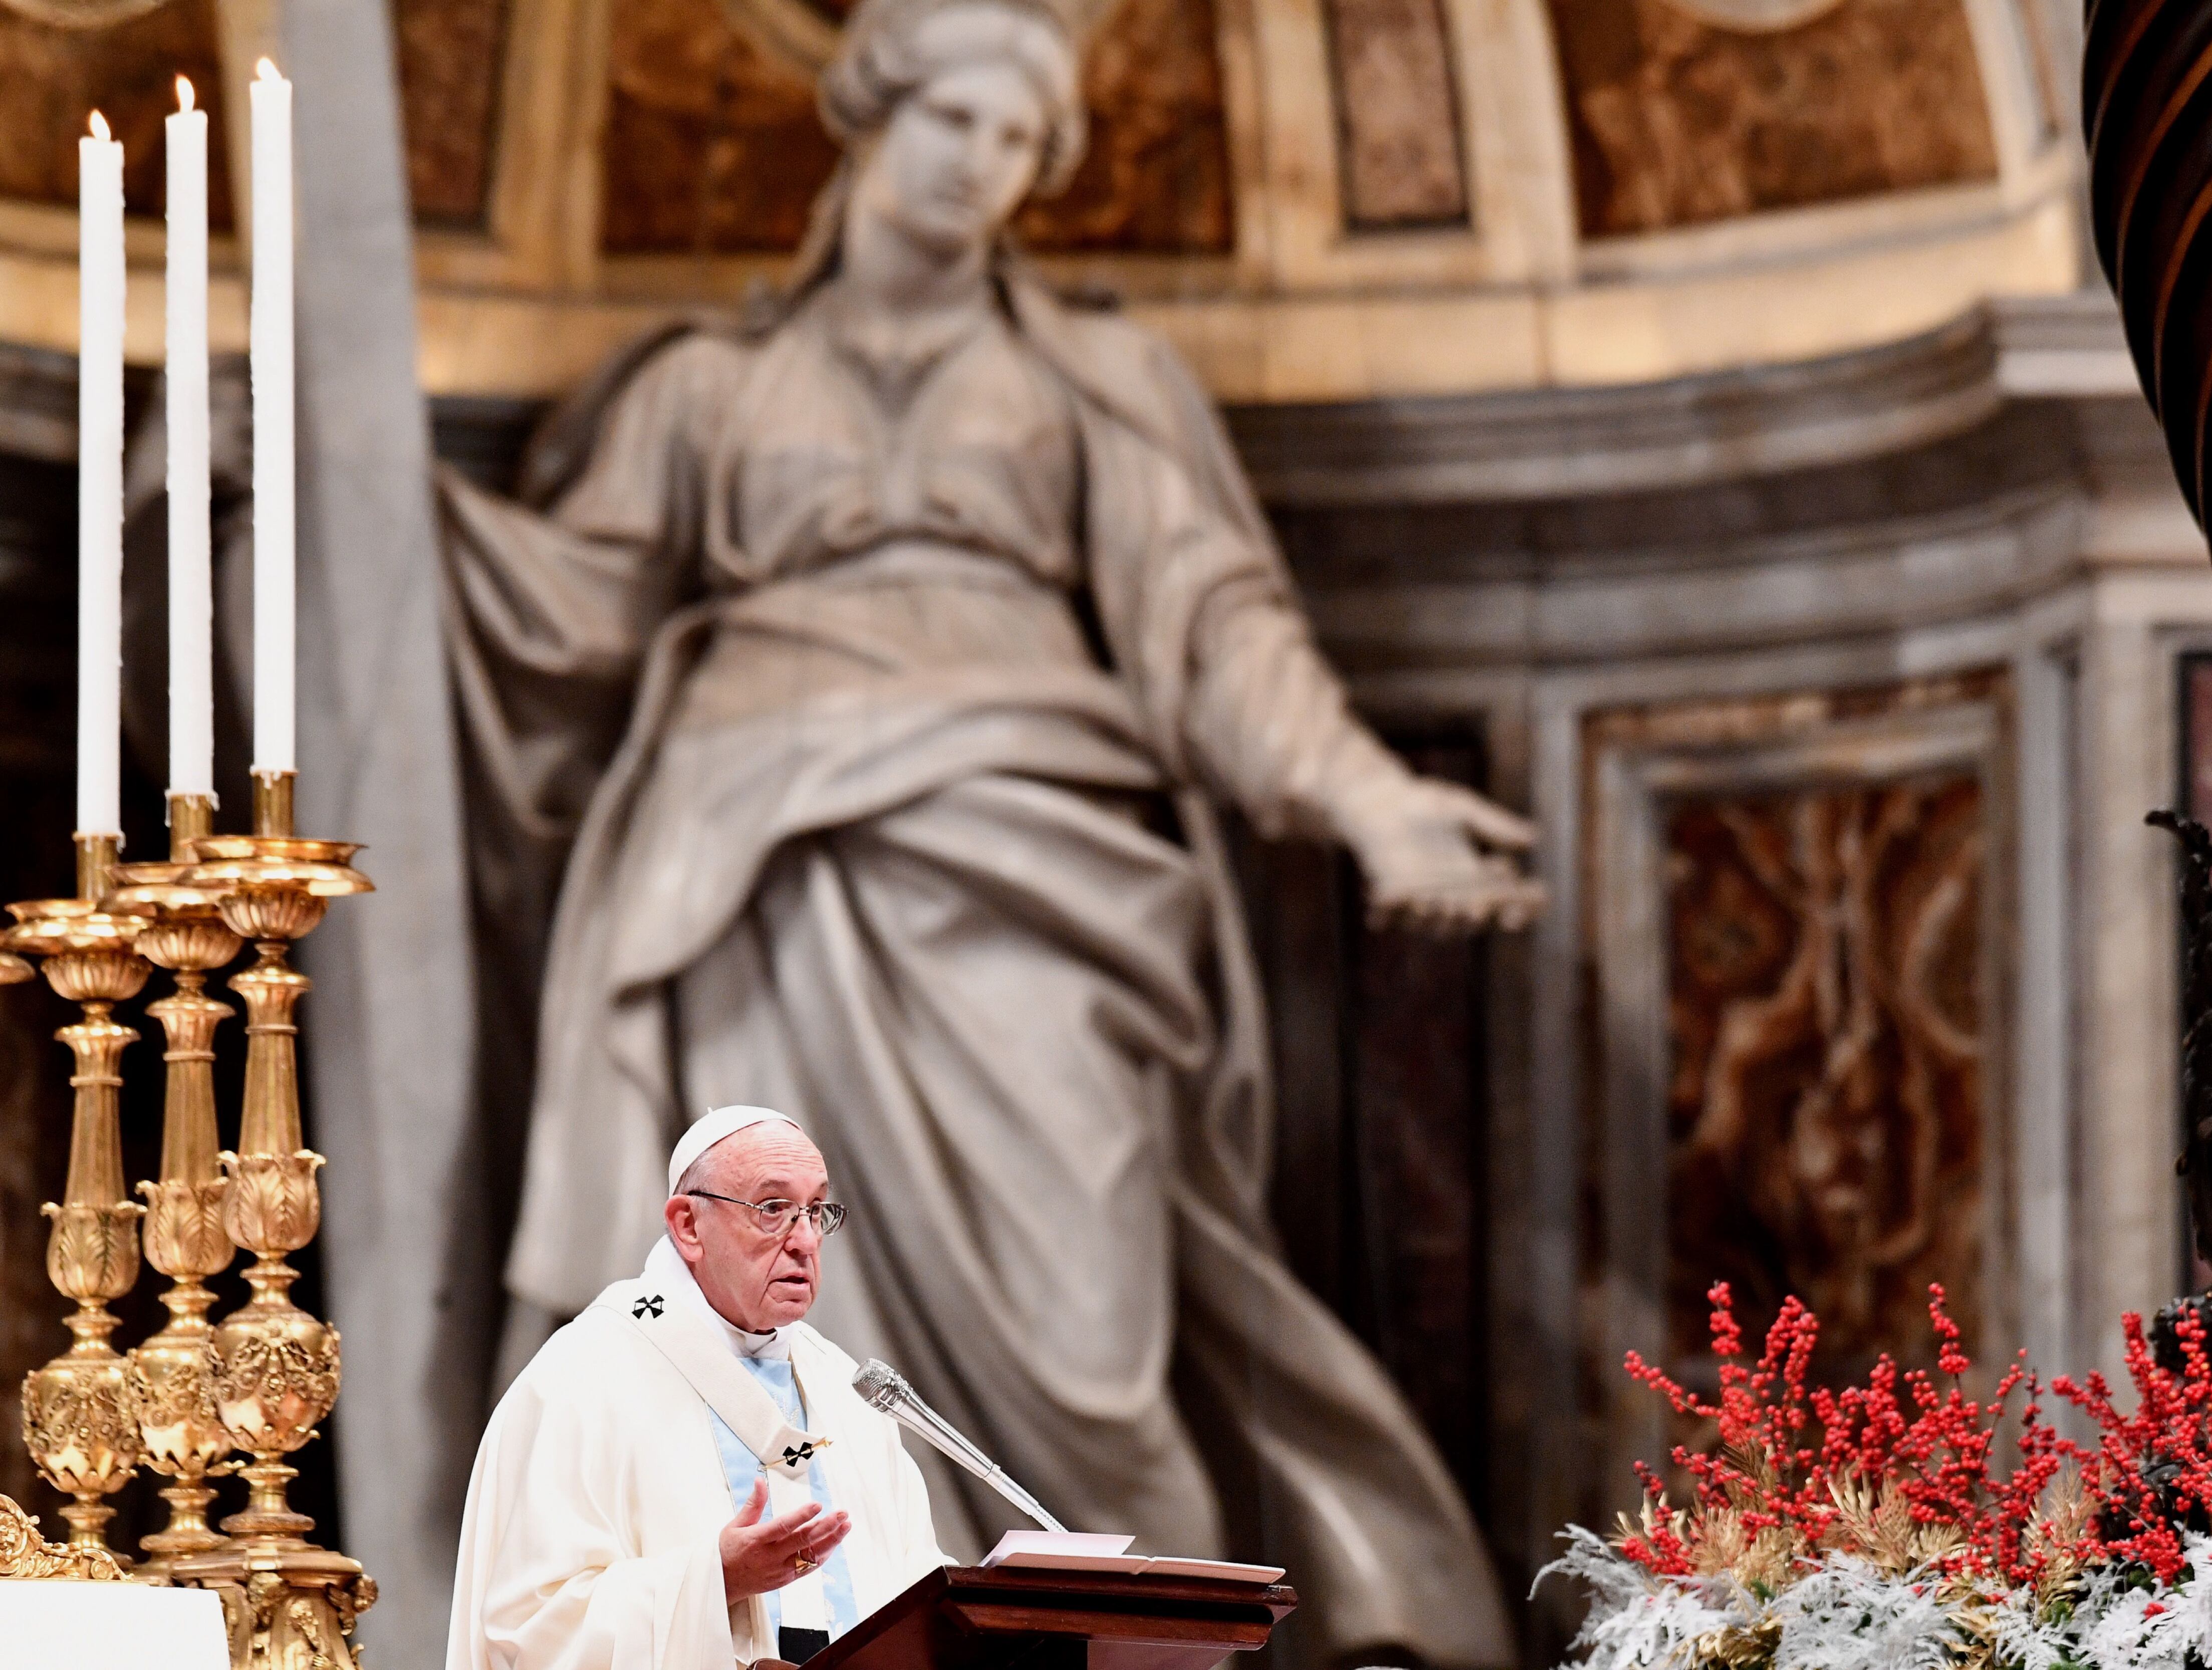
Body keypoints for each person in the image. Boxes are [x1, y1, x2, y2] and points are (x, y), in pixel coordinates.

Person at [435, 0, 1537, 1658]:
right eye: (957, 120)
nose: (985, 166)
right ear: (870, 114)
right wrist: (345, 485)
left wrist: (1371, 803)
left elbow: (1220, 625)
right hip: (756, 865)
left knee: (1090, 1354)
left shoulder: (1089, 378)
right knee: (770, 1375)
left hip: (1033, 860)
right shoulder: (705, 389)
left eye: (1022, 140)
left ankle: (1160, 1646)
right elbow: (565, 608)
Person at [447, 1106, 947, 1670]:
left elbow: (913, 1586)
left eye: (815, 1211)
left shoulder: (842, 1389)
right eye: (774, 1209)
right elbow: (529, 1626)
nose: (805, 1240)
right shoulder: (584, 1377)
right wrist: (716, 1580)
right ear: (688, 1226)